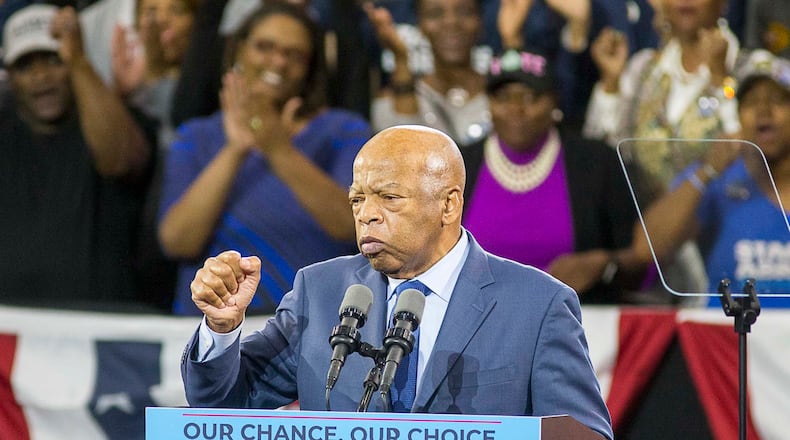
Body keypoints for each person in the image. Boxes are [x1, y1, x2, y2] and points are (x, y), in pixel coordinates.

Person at [181, 125, 614, 439]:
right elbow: (223, 406)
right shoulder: (321, 291)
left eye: (388, 197)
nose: (366, 213)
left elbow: (583, 435)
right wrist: (221, 330)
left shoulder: (537, 306)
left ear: (449, 204)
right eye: (357, 198)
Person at [158, 1, 371, 316]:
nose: (278, 61)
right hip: (216, 332)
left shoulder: (344, 132)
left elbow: (353, 226)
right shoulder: (196, 137)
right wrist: (236, 149)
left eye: (294, 54)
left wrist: (278, 149)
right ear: (238, 51)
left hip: (316, 330)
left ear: (311, 67)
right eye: (264, 47)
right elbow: (177, 242)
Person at [460, 48, 648, 304]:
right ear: (489, 103)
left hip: (579, 328)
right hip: (477, 329)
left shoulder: (596, 163)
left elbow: (642, 266)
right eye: (503, 97)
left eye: (530, 97)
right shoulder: (459, 165)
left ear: (554, 101)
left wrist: (605, 264)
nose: (516, 109)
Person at [0, 4, 155, 308]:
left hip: (93, 336)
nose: (41, 76)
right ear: (11, 78)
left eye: (54, 59)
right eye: (25, 66)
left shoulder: (116, 122)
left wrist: (79, 61)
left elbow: (122, 160)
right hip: (12, 337)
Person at [632, 51, 790, 308]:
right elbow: (646, 248)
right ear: (738, 117)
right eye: (750, 102)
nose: (763, 111)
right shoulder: (716, 178)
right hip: (726, 341)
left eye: (778, 100)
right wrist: (706, 172)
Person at [364, 0, 490, 147]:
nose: (451, 22)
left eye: (464, 12)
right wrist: (401, 59)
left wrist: (512, 39)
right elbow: (404, 153)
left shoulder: (501, 95)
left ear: (480, 20)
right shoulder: (392, 102)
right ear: (420, 25)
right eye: (435, 14)